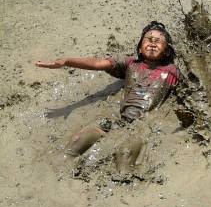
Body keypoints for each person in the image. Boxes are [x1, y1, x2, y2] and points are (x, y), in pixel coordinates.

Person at [35, 21, 179, 165]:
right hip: (118, 119)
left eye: (158, 41)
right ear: (140, 48)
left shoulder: (172, 70)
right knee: (77, 140)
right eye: (148, 39)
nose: (153, 43)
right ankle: (56, 169)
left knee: (124, 153)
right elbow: (97, 63)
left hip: (142, 125)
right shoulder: (130, 63)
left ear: (167, 50)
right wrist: (67, 61)